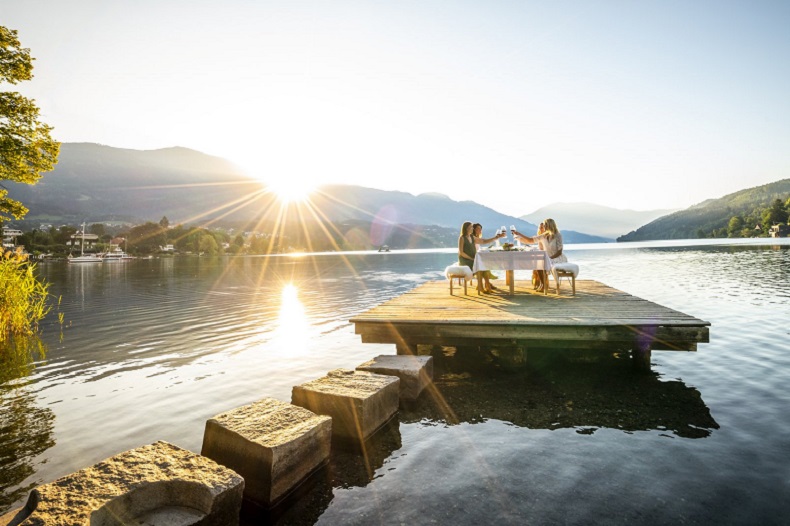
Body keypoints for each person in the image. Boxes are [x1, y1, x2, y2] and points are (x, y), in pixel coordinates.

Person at [513, 218, 567, 293]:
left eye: (544, 225)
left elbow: (559, 251)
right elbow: (530, 240)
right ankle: (543, 284)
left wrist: (550, 258)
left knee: (543, 262)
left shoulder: (558, 235)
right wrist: (519, 234)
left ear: (549, 225)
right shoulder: (544, 235)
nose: (543, 227)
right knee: (538, 263)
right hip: (547, 257)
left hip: (557, 257)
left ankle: (544, 285)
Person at [458, 221, 503, 293]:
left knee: (484, 265)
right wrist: (471, 258)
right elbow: (461, 253)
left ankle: (486, 286)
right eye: (471, 227)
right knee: (480, 266)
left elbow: (483, 241)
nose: (473, 228)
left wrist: (496, 237)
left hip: (473, 259)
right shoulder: (462, 238)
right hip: (465, 260)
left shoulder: (472, 237)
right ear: (466, 228)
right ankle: (483, 287)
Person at [473, 223, 503, 290]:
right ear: (473, 229)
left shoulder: (476, 238)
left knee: (486, 263)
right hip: (474, 258)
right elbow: (484, 241)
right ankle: (487, 284)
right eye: (478, 228)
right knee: (485, 264)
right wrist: (496, 237)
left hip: (477, 257)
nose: (480, 230)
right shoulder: (473, 238)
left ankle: (486, 284)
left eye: (481, 229)